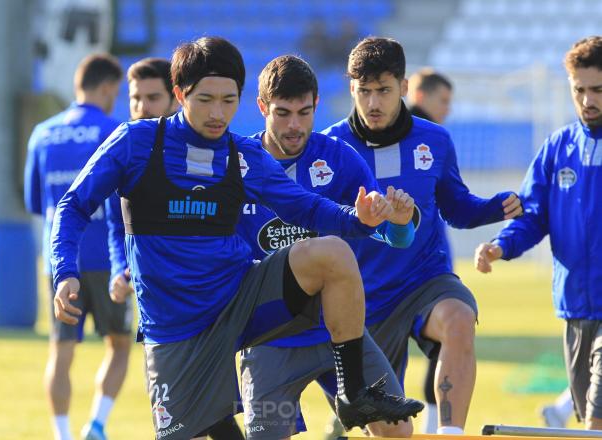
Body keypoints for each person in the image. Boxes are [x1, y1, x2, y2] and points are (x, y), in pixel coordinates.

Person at [50, 36, 424, 440]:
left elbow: (306, 208)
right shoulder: (136, 143)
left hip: (240, 301)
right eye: (206, 100)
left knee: (332, 253)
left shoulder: (241, 156)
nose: (218, 113)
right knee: (205, 431)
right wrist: (65, 271)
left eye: (228, 101)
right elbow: (73, 206)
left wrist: (361, 219)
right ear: (180, 94)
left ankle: (353, 391)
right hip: (175, 329)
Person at [322, 37, 524, 435]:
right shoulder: (328, 148)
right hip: (359, 302)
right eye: (364, 91)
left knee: (460, 318)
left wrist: (495, 207)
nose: (374, 103)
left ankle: (450, 433)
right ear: (351, 89)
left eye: (383, 90)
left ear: (402, 85)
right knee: (394, 432)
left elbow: (455, 207)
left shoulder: (435, 140)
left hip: (422, 281)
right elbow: (315, 223)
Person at [237, 54, 417, 439]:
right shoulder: (238, 167)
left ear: (317, 104)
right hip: (271, 339)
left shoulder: (337, 157)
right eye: (282, 113)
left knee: (398, 431)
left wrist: (398, 223)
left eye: (304, 113)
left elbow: (382, 233)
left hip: (338, 332)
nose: (294, 126)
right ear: (262, 107)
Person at [108, 56, 245, 440]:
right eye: (135, 99)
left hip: (211, 307)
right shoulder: (129, 151)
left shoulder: (220, 153)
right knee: (203, 418)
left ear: (176, 98)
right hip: (161, 306)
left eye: (152, 98)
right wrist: (122, 268)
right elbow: (115, 225)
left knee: (207, 416)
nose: (142, 108)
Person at [474, 35, 602, 430]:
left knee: (597, 420)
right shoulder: (557, 148)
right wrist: (500, 245)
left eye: (597, 89)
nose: (587, 100)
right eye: (578, 89)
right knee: (589, 419)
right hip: (575, 306)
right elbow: (533, 217)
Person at [24, 53, 131, 440]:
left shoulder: (43, 133)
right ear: (106, 88)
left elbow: (35, 202)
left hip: (60, 259)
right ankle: (97, 425)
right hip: (106, 255)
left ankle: (62, 434)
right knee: (119, 345)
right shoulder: (115, 131)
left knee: (60, 351)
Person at [406, 67, 454, 434]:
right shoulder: (421, 139)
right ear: (420, 96)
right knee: (444, 345)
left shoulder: (432, 139)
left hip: (420, 265)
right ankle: (438, 427)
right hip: (414, 271)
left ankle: (437, 426)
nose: (447, 110)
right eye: (443, 101)